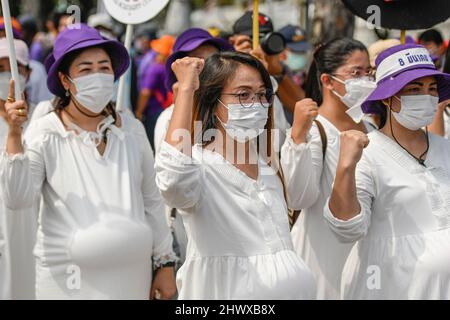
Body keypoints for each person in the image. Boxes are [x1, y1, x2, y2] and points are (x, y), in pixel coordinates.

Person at [0, 24, 177, 300]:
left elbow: (151, 200)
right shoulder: (46, 131)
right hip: (67, 285)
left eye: (104, 67)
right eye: (85, 69)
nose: (97, 75)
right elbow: (18, 198)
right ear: (65, 80)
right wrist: (13, 133)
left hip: (134, 280)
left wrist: (165, 263)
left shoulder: (131, 129)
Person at [155, 51, 316, 299]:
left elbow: (301, 198)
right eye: (243, 95)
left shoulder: (267, 164)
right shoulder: (198, 164)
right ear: (213, 100)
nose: (256, 103)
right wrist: (187, 89)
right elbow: (172, 181)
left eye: (262, 94)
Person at [326, 43, 450, 299]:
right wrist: (346, 167)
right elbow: (348, 229)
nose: (426, 97)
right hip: (391, 287)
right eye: (414, 89)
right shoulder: (367, 154)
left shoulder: (445, 148)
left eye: (432, 89)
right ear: (386, 96)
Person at [282, 38, 376, 299]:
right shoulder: (314, 132)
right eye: (356, 73)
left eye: (368, 72)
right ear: (327, 80)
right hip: (323, 264)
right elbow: (299, 197)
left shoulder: (373, 129)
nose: (365, 80)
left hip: (369, 264)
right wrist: (298, 138)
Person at [153, 28, 233, 266]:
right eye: (193, 61)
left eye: (212, 61)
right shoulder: (169, 120)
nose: (203, 68)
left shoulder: (237, 114)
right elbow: (171, 179)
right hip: (189, 230)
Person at [230, 11, 304, 148]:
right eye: (251, 39)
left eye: (264, 38)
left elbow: (300, 106)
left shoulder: (278, 69)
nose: (259, 45)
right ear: (233, 42)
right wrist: (238, 61)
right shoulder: (226, 68)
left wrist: (276, 72)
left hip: (279, 151)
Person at [0, 38, 37, 300]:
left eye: (11, 67)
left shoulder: (45, 121)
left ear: (27, 72)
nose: (5, 75)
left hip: (34, 227)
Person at [135, 35, 175, 149]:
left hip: (154, 111)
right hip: (166, 108)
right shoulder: (168, 67)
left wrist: (138, 112)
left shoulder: (155, 68)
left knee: (152, 145)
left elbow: (146, 92)